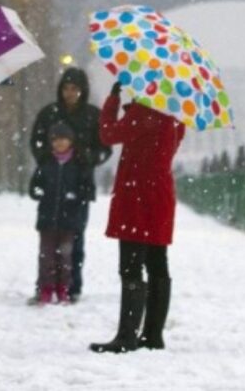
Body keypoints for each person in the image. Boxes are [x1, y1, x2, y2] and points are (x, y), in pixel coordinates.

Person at [89, 81, 186, 354]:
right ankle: (153, 335)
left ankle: (126, 335)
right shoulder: (175, 118)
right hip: (160, 196)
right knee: (157, 263)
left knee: (131, 265)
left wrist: (112, 100)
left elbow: (107, 134)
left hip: (138, 197)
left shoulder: (144, 113)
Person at [30, 67, 111, 300]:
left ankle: (71, 286)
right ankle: (45, 285)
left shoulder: (92, 116)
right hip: (52, 186)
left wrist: (87, 159)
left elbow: (104, 148)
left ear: (82, 90)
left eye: (75, 89)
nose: (70, 93)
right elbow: (36, 142)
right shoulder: (49, 114)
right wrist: (47, 159)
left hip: (80, 186)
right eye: (66, 88)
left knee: (75, 239)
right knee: (47, 243)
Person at [28, 122, 87, 305]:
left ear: (71, 142)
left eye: (64, 139)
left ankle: (63, 289)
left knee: (66, 257)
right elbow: (34, 186)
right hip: (47, 219)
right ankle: (45, 289)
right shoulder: (46, 162)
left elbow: (86, 189)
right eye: (56, 140)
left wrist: (76, 197)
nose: (60, 143)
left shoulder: (79, 163)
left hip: (69, 221)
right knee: (46, 257)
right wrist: (39, 193)